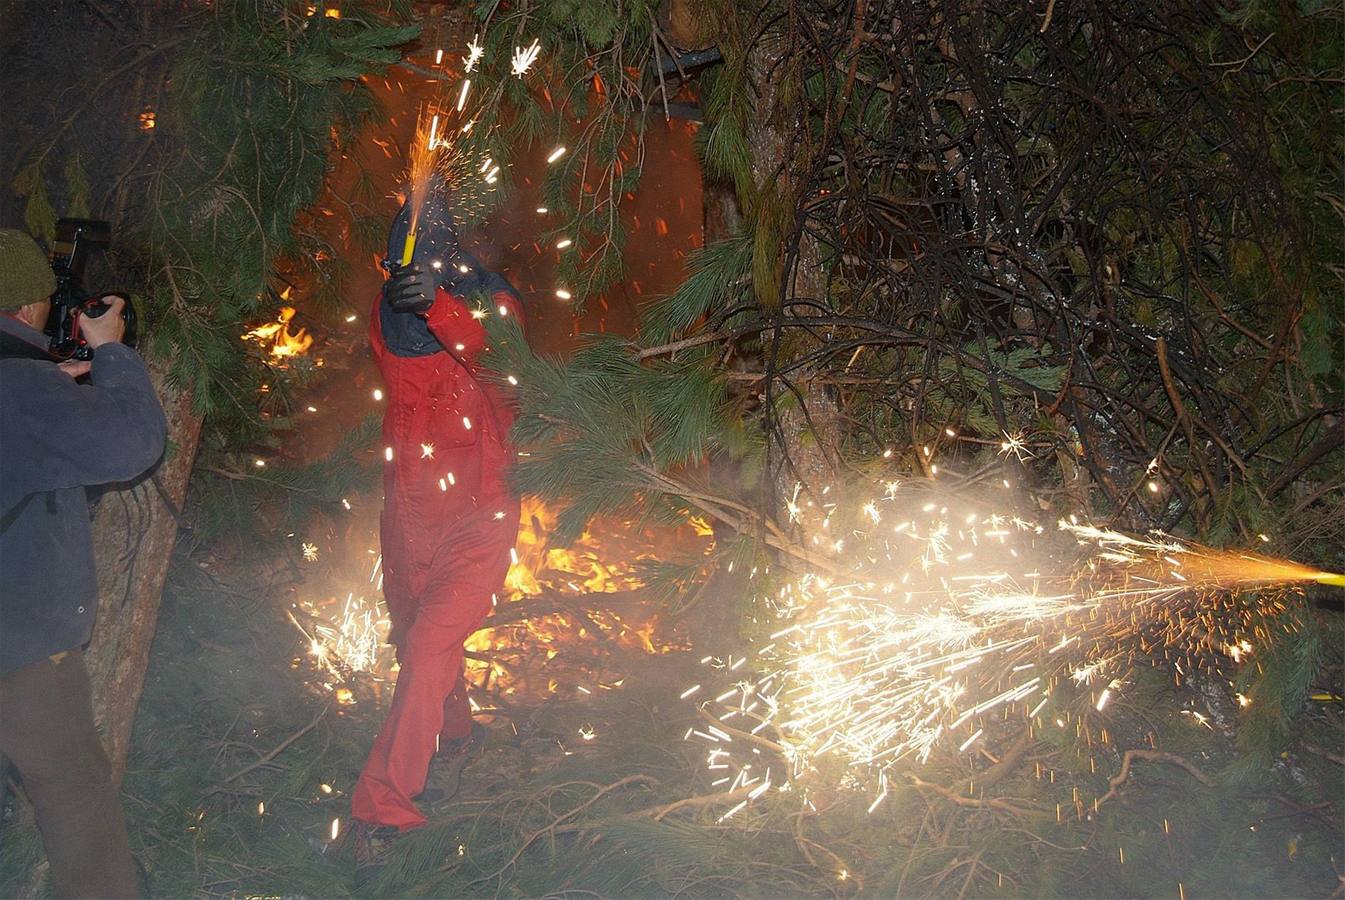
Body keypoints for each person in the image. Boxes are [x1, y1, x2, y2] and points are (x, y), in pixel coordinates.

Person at [348, 195, 525, 877]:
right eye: (399, 264)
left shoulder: (493, 307)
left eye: (420, 264)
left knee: (426, 648)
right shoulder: (385, 313)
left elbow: (508, 378)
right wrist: (413, 301)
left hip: (479, 517)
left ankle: (383, 810)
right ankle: (453, 737)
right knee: (416, 641)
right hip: (407, 518)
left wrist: (444, 307)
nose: (406, 273)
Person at [0, 227, 167, 898]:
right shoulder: (22, 391)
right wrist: (110, 353)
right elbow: (132, 445)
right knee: (76, 801)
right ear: (30, 304)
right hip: (17, 650)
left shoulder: (26, 389)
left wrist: (56, 386)